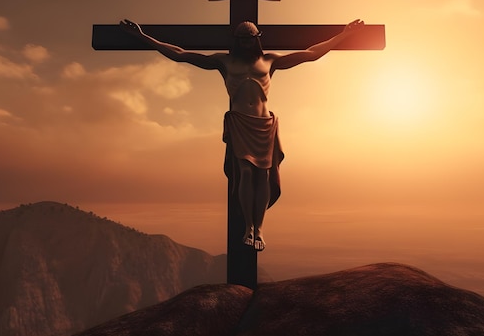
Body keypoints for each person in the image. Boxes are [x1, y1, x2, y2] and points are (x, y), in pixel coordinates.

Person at [120, 18, 364, 251]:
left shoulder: (270, 61)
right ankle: (248, 227)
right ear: (236, 41)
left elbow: (311, 54)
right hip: (240, 122)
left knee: (264, 175)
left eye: (251, 39)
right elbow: (181, 54)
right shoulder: (224, 62)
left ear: (257, 39)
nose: (247, 43)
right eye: (242, 40)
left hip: (264, 122)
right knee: (245, 171)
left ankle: (259, 229)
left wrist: (344, 35)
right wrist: (144, 38)